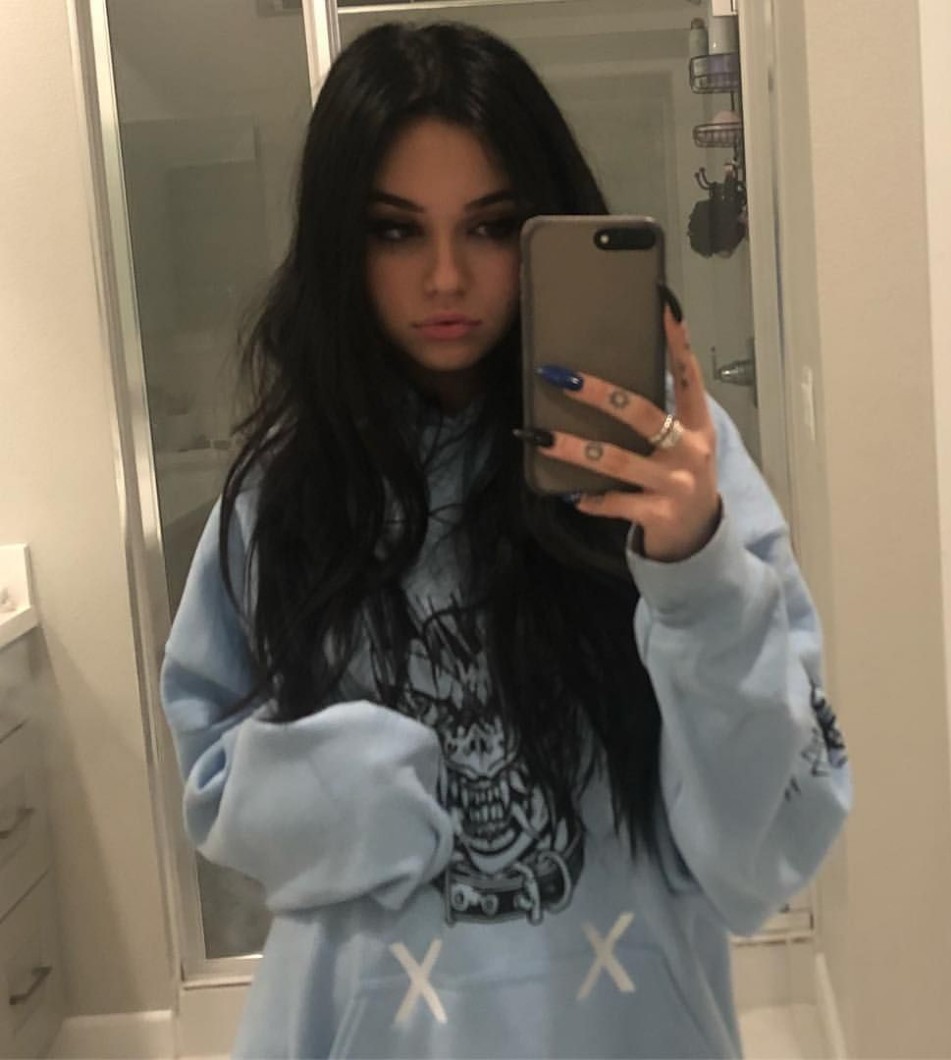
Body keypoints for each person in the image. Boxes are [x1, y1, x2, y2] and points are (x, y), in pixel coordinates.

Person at [160, 20, 851, 1059]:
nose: (445, 277)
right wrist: (373, 788)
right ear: (340, 246)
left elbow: (773, 839)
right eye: (396, 231)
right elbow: (212, 771)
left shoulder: (667, 465)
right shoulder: (287, 495)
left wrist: (697, 575)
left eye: (489, 228)